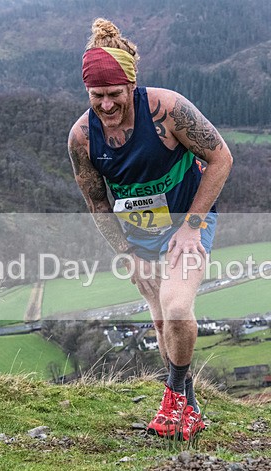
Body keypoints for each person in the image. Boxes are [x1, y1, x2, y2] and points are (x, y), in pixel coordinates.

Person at [67, 18, 232, 441]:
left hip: (188, 223)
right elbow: (96, 201)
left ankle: (173, 398)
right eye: (96, 96)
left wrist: (193, 226)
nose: (106, 105)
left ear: (132, 86)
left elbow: (221, 159)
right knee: (162, 324)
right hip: (138, 238)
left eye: (115, 95)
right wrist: (127, 253)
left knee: (178, 307)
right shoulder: (82, 138)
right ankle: (189, 407)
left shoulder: (168, 110)